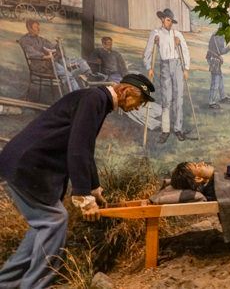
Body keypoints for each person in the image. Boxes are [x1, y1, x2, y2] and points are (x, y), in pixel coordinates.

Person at [0, 74, 155, 288]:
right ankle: (35, 285)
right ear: (125, 91)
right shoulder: (94, 99)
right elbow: (78, 147)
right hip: (26, 166)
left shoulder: (97, 99)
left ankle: (7, 283)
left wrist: (93, 188)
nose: (138, 108)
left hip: (19, 163)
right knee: (55, 219)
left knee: (43, 225)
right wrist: (83, 196)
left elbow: (85, 147)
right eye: (140, 102)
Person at [143, 8, 191, 143]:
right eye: (168, 20)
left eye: (171, 21)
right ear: (162, 20)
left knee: (179, 98)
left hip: (177, 65)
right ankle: (165, 130)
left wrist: (186, 68)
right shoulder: (156, 33)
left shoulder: (177, 34)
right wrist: (149, 67)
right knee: (166, 99)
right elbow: (148, 51)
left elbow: (185, 51)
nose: (170, 23)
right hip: (164, 66)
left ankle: (178, 128)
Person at [18, 19, 92, 91]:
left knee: (80, 61)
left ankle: (90, 79)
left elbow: (51, 47)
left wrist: (58, 45)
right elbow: (31, 52)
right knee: (67, 74)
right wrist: (44, 56)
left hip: (52, 62)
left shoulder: (41, 39)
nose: (38, 29)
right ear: (29, 28)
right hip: (40, 65)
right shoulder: (25, 40)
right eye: (36, 27)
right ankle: (76, 93)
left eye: (38, 27)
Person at [206, 32, 230, 109]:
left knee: (220, 77)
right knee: (216, 80)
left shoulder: (218, 34)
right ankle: (211, 102)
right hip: (213, 59)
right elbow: (221, 51)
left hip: (214, 57)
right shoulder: (219, 36)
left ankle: (223, 96)